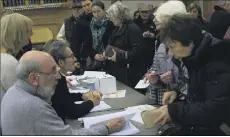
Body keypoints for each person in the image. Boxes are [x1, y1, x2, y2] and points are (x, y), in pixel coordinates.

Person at [1, 51, 125, 135]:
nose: (58, 77)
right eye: (52, 72)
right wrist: (107, 127)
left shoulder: (13, 92)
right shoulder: (34, 107)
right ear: (33, 78)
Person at [152, 14, 230, 135]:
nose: (170, 54)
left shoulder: (218, 57)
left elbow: (217, 107)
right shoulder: (195, 56)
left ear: (189, 42)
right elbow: (200, 91)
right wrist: (178, 93)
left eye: (172, 47)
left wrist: (175, 111)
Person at [35, 40, 101, 121]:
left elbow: (64, 98)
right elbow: (73, 112)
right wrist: (92, 102)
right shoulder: (56, 79)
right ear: (61, 62)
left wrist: (82, 96)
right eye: (72, 56)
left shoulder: (52, 76)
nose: (75, 58)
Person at [144, 0, 188, 105]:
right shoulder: (162, 43)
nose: (154, 20)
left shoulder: (187, 45)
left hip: (185, 106)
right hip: (168, 101)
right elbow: (154, 68)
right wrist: (155, 78)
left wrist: (175, 85)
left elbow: (191, 81)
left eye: (159, 18)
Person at [106, 1, 144, 88]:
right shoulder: (117, 28)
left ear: (118, 16)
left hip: (129, 73)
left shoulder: (132, 29)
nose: (110, 19)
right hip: (118, 70)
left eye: (112, 17)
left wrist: (118, 56)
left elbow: (137, 52)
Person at [0, 13, 33, 101]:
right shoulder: (8, 62)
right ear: (18, 34)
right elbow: (21, 96)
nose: (32, 34)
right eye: (28, 31)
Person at [57, 0, 93, 74]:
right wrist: (68, 45)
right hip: (72, 52)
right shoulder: (67, 21)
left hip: (85, 52)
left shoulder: (88, 19)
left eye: (78, 9)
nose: (76, 11)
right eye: (74, 9)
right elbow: (59, 37)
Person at [86, 0, 115, 71]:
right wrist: (94, 55)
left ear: (104, 10)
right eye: (94, 12)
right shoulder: (90, 25)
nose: (96, 14)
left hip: (110, 59)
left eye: (98, 11)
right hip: (95, 61)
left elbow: (115, 42)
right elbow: (87, 45)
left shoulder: (111, 23)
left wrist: (107, 54)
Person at [134, 3, 157, 71]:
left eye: (146, 12)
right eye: (142, 12)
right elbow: (131, 36)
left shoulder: (154, 22)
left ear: (150, 12)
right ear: (139, 12)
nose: (144, 14)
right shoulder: (135, 22)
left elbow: (159, 36)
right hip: (137, 53)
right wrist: (141, 35)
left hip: (150, 53)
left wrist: (153, 36)